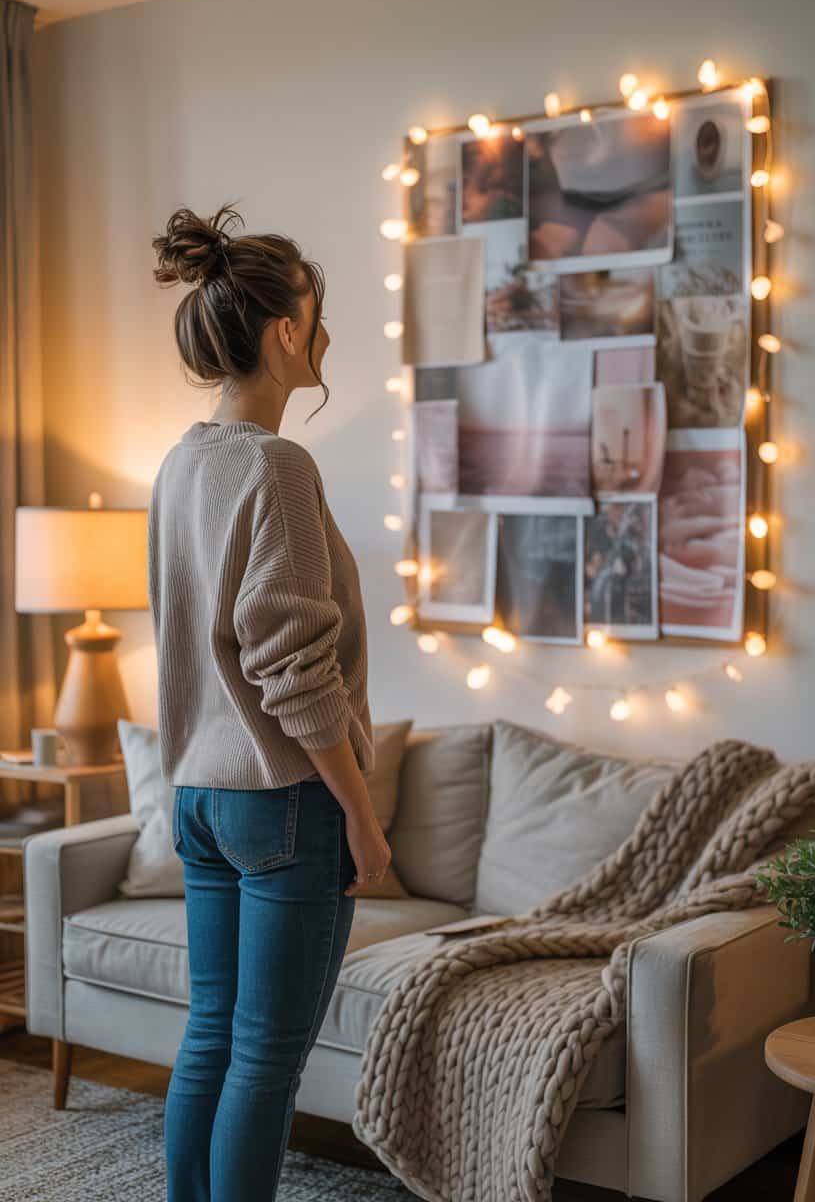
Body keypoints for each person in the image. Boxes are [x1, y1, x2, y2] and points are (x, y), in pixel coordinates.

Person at [147, 201, 391, 1202]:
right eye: (319, 317)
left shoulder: (179, 463)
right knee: (266, 1057)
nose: (327, 336)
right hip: (285, 799)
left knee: (212, 1036)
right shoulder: (280, 467)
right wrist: (363, 824)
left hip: (200, 799)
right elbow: (293, 668)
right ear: (287, 332)